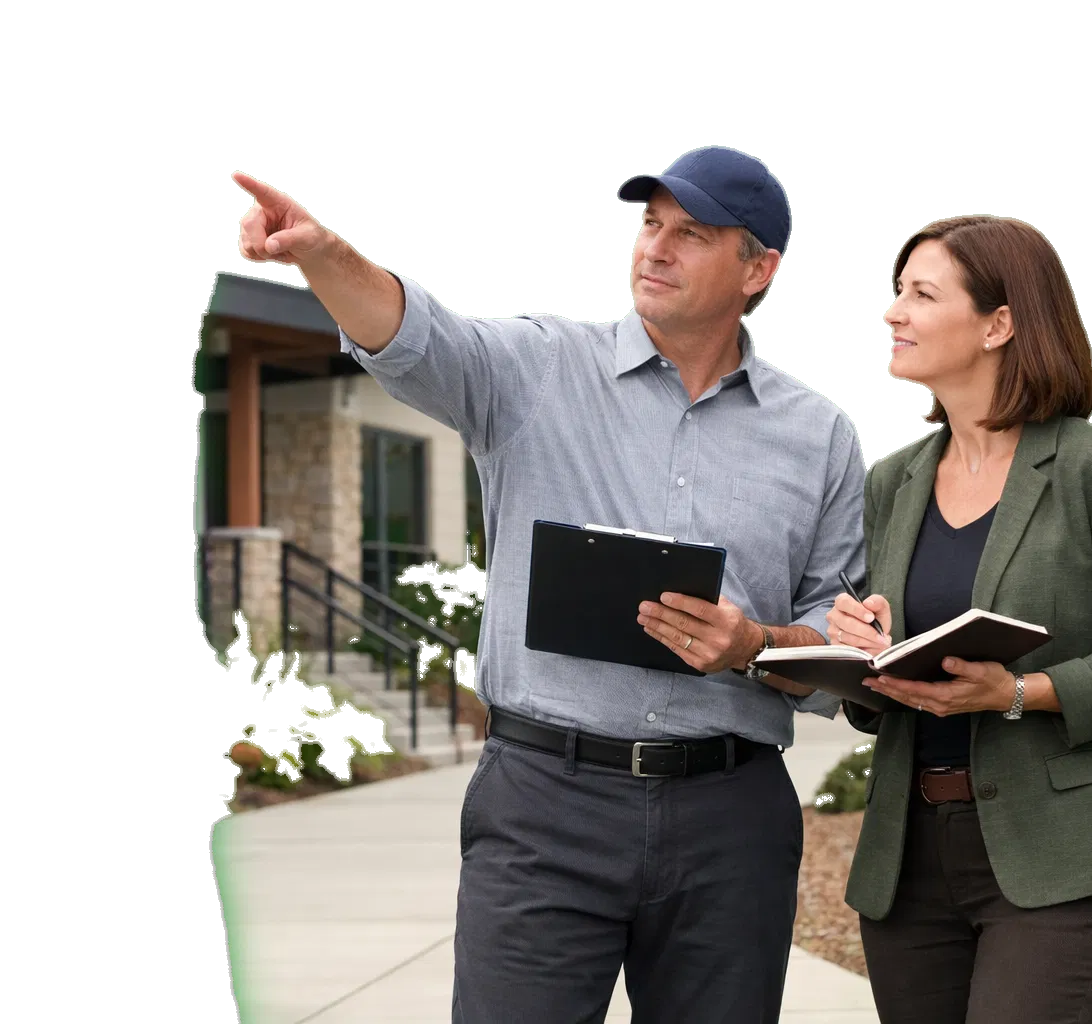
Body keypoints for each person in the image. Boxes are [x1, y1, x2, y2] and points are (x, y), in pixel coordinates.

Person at [231, 146, 866, 1024]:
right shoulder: (537, 369)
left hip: (731, 822)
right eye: (649, 225)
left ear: (759, 267)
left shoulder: (822, 435)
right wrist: (322, 255)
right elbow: (417, 338)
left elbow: (836, 643)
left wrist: (754, 645)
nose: (654, 248)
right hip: (545, 805)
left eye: (691, 234)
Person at [824, 215, 1092, 1024]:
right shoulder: (892, 481)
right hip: (911, 867)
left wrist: (1020, 692)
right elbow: (877, 697)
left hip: (1068, 863)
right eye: (896, 293)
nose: (892, 312)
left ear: (999, 324)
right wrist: (860, 653)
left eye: (921, 294)